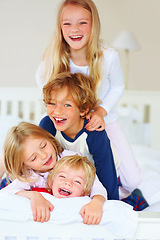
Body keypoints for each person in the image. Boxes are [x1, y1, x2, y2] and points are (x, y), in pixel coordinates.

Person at [35, 0, 142, 198]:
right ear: (60, 27)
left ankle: (107, 187)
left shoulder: (108, 57)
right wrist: (58, 107)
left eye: (82, 22)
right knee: (34, 149)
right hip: (66, 122)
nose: (74, 29)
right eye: (67, 23)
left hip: (103, 121)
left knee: (132, 180)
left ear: (94, 25)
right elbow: (42, 80)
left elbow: (118, 87)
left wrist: (101, 112)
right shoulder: (54, 55)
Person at [1, 121, 107, 224]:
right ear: (25, 165)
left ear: (49, 138)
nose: (44, 155)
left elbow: (96, 186)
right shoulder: (30, 175)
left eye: (43, 146)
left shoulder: (73, 159)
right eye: (33, 158)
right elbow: (5, 193)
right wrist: (34, 195)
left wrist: (97, 202)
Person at [39, 71, 119, 201]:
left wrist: (111, 205)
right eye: (52, 103)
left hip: (97, 175)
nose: (57, 111)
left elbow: (106, 171)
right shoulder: (48, 125)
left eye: (67, 105)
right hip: (68, 177)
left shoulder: (93, 132)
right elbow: (38, 158)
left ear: (83, 109)